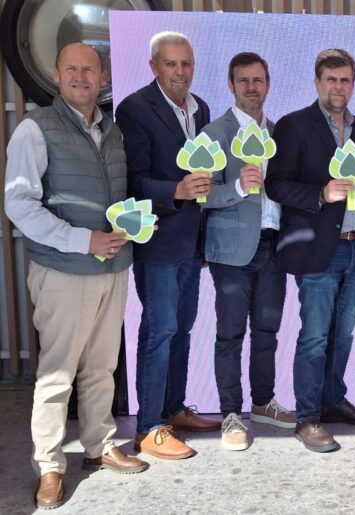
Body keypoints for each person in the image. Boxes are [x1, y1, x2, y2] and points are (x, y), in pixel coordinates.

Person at [4, 43, 148, 510]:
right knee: (57, 374)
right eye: (72, 68)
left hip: (113, 267)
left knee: (102, 367)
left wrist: (134, 226)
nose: (81, 76)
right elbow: (19, 204)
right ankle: (49, 465)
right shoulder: (35, 129)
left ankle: (99, 444)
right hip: (64, 270)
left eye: (89, 69)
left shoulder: (112, 130)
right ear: (56, 74)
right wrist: (82, 240)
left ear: (103, 78)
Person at [266, 49, 355, 453]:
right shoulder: (294, 126)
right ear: (317, 83)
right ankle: (307, 417)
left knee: (342, 335)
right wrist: (320, 193)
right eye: (331, 79)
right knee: (314, 337)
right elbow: (276, 185)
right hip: (318, 252)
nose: (338, 87)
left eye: (345, 80)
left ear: (353, 84)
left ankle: (332, 399)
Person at [115, 31, 219, 461]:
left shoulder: (201, 108)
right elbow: (133, 178)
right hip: (158, 239)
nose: (180, 72)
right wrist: (175, 190)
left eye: (186, 64)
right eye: (171, 64)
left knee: (183, 327)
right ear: (154, 66)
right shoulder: (135, 108)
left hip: (192, 241)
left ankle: (174, 408)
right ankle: (149, 426)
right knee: (159, 331)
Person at [201, 52, 296, 452]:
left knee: (267, 331)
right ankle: (231, 414)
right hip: (231, 252)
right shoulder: (215, 133)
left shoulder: (278, 133)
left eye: (258, 80)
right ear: (231, 85)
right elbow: (201, 193)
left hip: (275, 246)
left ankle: (262, 403)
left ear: (268, 84)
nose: (252, 88)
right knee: (230, 334)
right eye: (244, 81)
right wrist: (238, 187)